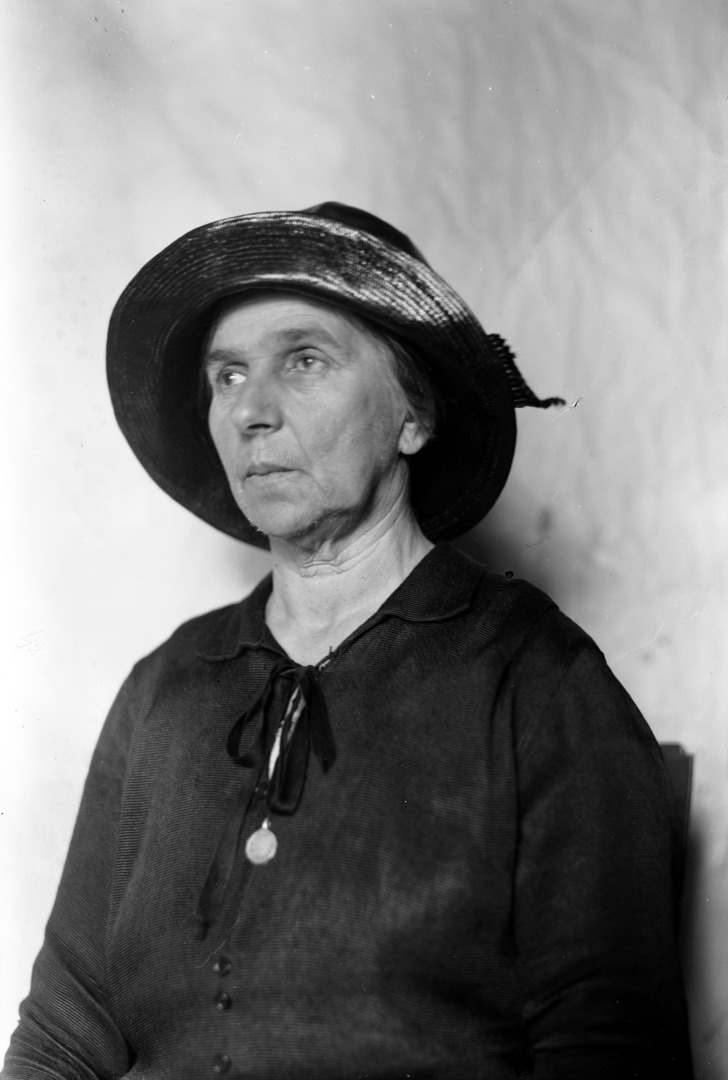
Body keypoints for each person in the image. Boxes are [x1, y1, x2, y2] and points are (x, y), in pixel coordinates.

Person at [3, 203, 693, 1079]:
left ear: (413, 417)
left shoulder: (534, 677)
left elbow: (610, 1045)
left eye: (304, 360)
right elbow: (65, 1032)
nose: (251, 410)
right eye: (227, 376)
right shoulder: (167, 686)